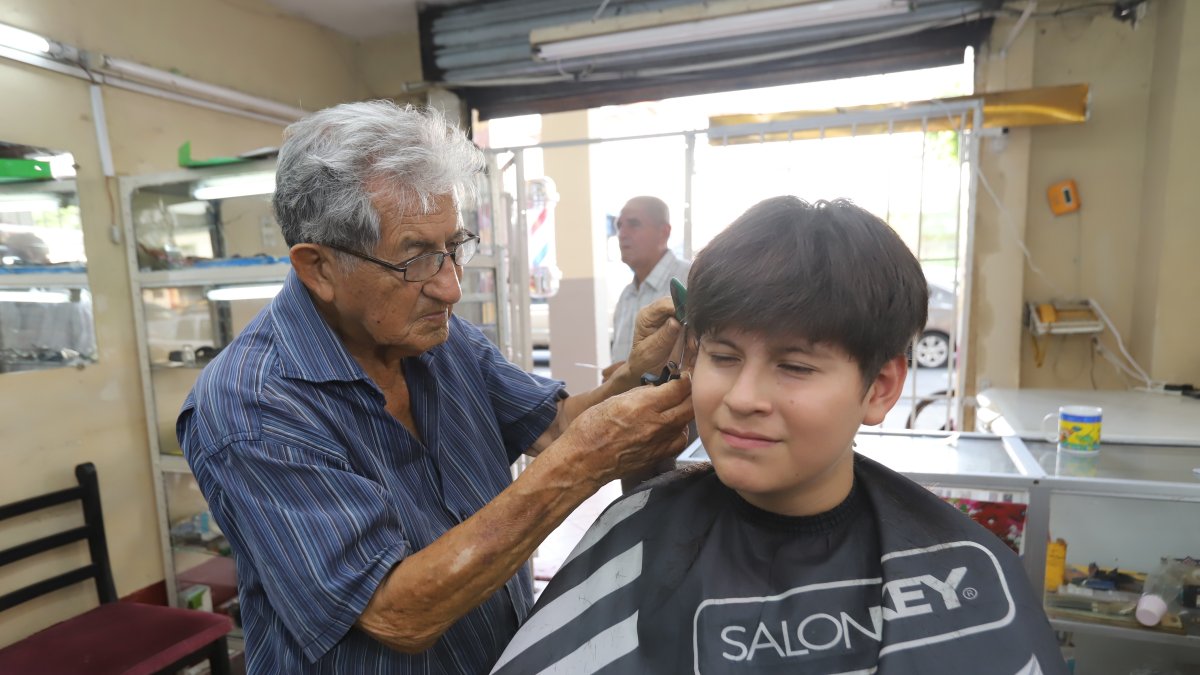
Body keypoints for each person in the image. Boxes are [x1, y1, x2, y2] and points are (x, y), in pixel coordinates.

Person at [176, 101, 693, 674]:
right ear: (318, 268)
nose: (449, 287)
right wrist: (580, 468)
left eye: (453, 247)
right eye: (416, 259)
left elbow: (556, 427)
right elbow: (398, 614)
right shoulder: (253, 410)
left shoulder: (441, 341)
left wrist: (635, 371)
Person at [492, 197, 1068, 675]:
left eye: (794, 366)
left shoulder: (967, 573)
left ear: (880, 388)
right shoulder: (635, 536)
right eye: (722, 355)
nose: (742, 397)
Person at [606, 196, 692, 369]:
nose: (621, 234)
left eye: (633, 224)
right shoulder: (626, 296)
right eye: (619, 225)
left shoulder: (691, 280)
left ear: (664, 232)